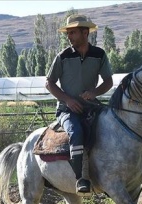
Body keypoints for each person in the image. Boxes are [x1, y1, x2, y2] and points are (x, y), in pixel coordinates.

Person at [46, 14, 113, 194]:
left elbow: (108, 81)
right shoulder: (63, 56)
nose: (69, 36)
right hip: (67, 110)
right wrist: (67, 99)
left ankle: (112, 172)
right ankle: (81, 178)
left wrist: (94, 92)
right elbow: (49, 83)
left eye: (73, 32)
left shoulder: (99, 55)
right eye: (68, 33)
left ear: (85, 32)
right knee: (76, 132)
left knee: (112, 126)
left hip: (92, 106)